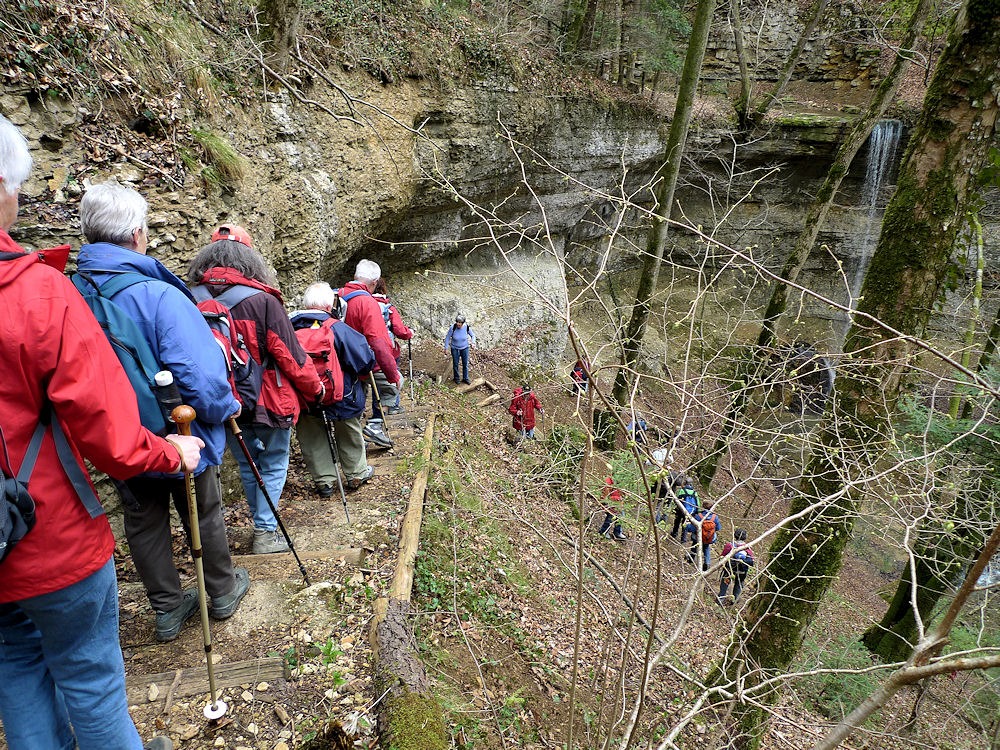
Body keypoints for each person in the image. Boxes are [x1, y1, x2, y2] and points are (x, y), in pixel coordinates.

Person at [0, 114, 201, 750]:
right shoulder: (37, 295)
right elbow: (109, 433)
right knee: (89, 678)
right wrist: (171, 450)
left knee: (15, 671)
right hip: (46, 532)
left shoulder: (68, 282)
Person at [77, 181, 249, 641]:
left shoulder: (70, 292)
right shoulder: (156, 294)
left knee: (142, 518)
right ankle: (222, 590)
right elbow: (201, 375)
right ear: (137, 234)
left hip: (116, 433)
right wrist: (227, 406)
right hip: (179, 428)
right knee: (203, 511)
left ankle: (168, 608)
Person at [188, 226, 323, 554]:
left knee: (248, 463)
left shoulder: (189, 297)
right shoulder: (263, 300)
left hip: (221, 399)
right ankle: (264, 531)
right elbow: (290, 356)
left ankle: (261, 523)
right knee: (275, 460)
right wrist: (315, 388)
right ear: (250, 259)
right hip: (268, 399)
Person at [291, 282, 377, 494]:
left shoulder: (289, 328)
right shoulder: (338, 328)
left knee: (312, 434)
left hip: (305, 394)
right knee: (348, 430)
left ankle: (325, 481)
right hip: (341, 395)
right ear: (330, 306)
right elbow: (365, 361)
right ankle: (356, 473)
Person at [338, 259, 402, 448]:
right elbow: (379, 343)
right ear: (374, 283)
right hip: (364, 362)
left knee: (357, 397)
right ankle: (375, 426)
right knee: (394, 385)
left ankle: (357, 439)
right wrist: (392, 374)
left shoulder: (336, 296)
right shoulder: (367, 302)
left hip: (340, 364)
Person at [372, 277, 413, 415]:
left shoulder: (365, 305)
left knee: (375, 381)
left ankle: (375, 409)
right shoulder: (389, 308)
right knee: (392, 377)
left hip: (368, 351)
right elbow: (400, 331)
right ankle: (392, 406)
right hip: (389, 351)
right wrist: (410, 333)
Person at [718, 528, 755, 605]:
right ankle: (735, 599)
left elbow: (722, 556)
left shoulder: (729, 545)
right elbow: (752, 560)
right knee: (739, 584)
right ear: (745, 537)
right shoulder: (747, 548)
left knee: (725, 583)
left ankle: (721, 598)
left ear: (735, 535)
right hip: (742, 572)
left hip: (729, 570)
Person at [685, 499, 721, 571]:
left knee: (695, 545)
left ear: (703, 506)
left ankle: (691, 559)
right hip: (709, 538)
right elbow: (718, 528)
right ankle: (707, 563)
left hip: (698, 537)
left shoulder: (699, 516)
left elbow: (692, 529)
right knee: (706, 548)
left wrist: (687, 525)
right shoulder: (715, 517)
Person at [444, 314, 476, 384]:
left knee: (465, 364)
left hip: (465, 348)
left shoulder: (466, 327)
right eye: (457, 322)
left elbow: (473, 335)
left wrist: (473, 342)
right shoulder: (453, 328)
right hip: (455, 348)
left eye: (459, 323)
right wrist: (446, 348)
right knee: (455, 364)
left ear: (463, 323)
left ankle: (465, 378)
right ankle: (456, 378)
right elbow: (447, 338)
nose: (458, 324)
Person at [670, 475, 701, 541]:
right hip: (690, 512)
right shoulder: (695, 493)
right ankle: (683, 538)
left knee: (677, 522)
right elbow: (697, 504)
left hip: (680, 510)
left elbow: (675, 500)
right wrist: (697, 512)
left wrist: (673, 508)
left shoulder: (681, 491)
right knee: (685, 524)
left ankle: (674, 534)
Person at [597, 476, 627, 541]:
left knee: (621, 517)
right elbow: (605, 496)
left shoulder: (622, 480)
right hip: (610, 503)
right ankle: (603, 531)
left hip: (618, 504)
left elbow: (623, 492)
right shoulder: (608, 482)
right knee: (610, 518)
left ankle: (617, 532)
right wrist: (615, 499)